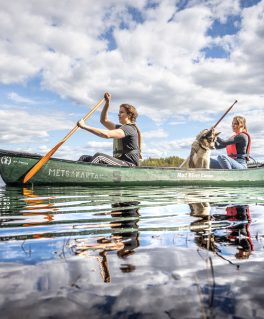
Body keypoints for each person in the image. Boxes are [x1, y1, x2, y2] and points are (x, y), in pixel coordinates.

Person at [77, 92, 141, 166]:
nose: (118, 114)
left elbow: (107, 134)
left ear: (129, 115)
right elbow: (104, 120)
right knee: (84, 158)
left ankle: (86, 175)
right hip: (120, 162)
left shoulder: (129, 128)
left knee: (99, 157)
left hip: (129, 165)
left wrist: (84, 126)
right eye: (119, 112)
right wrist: (107, 103)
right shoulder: (120, 127)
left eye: (121, 112)